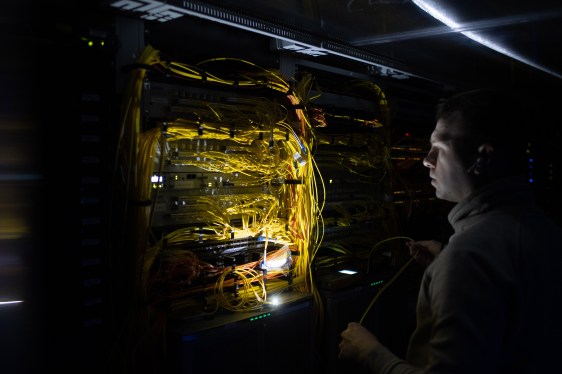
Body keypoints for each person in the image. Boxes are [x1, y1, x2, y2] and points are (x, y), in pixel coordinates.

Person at [338, 88, 562, 373]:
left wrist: (369, 353)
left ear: (483, 158)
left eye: (439, 148)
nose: (426, 160)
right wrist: (445, 260)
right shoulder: (543, 229)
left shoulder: (470, 256)